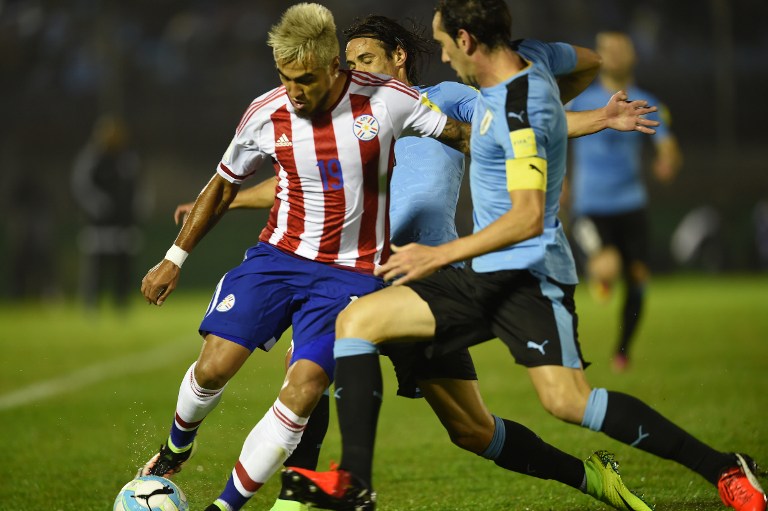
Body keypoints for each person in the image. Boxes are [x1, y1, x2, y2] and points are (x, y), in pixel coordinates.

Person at [282, 3, 767, 511]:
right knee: (357, 321)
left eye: (445, 43)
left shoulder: (516, 105)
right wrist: (597, 115)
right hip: (474, 272)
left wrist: (437, 254)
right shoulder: (525, 62)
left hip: (527, 276)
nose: (442, 56)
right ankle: (355, 481)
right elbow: (588, 60)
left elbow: (528, 217)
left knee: (567, 401)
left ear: (467, 40)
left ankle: (725, 468)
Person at [171, 14, 662, 511]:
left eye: (366, 59)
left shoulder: (442, 99)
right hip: (347, 275)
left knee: (472, 429)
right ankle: (292, 502)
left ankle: (592, 477)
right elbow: (294, 183)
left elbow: (513, 128)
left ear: (398, 57)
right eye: (350, 61)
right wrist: (222, 202)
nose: (355, 69)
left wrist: (600, 118)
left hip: (423, 281)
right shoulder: (340, 113)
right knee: (306, 379)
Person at [137, 4, 472, 511]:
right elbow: (225, 184)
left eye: (306, 79)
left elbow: (463, 136)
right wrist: (173, 258)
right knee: (214, 368)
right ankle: (176, 447)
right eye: (285, 77)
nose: (294, 90)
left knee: (305, 387)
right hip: (279, 256)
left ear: (334, 65)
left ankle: (223, 508)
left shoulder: (387, 101)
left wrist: (537, 156)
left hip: (351, 276)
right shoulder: (267, 112)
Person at [567, 31, 683, 372]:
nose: (614, 54)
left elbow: (668, 145)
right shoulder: (581, 100)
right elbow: (556, 133)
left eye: (620, 48)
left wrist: (668, 161)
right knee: (609, 264)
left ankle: (622, 350)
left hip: (631, 204)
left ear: (633, 54)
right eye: (607, 49)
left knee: (639, 280)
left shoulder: (649, 101)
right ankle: (600, 271)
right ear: (599, 57)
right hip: (590, 207)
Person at [71, 113, 144, 312]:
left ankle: (121, 303)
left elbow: (138, 185)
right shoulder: (92, 157)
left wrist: (137, 207)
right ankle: (90, 304)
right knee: (96, 266)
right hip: (98, 224)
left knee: (123, 265)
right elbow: (82, 185)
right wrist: (97, 205)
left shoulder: (127, 157)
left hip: (124, 223)